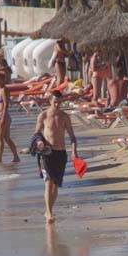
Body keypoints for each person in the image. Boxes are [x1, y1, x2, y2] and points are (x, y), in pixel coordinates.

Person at [34, 90, 78, 223]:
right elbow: (36, 134)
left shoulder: (65, 117)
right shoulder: (43, 115)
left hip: (61, 153)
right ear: (50, 101)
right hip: (47, 153)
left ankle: (48, 210)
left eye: (59, 102)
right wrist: (39, 142)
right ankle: (49, 213)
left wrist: (74, 152)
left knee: (55, 184)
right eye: (55, 102)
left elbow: (72, 137)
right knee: (48, 182)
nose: (57, 105)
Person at [0, 71, 20, 165]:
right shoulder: (1, 89)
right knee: (6, 138)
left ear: (4, 80)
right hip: (3, 116)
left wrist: (3, 117)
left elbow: (6, 104)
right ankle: (16, 157)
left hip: (2, 116)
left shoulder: (4, 89)